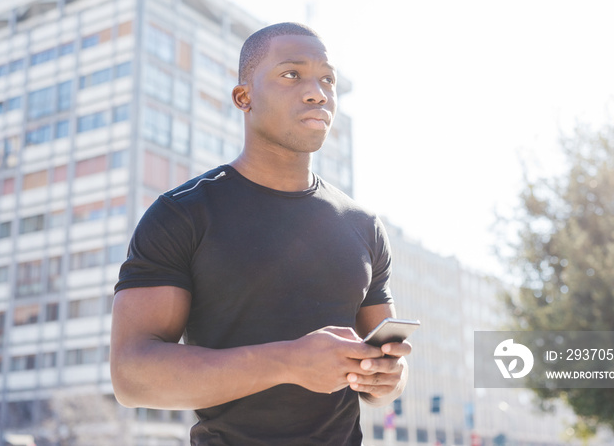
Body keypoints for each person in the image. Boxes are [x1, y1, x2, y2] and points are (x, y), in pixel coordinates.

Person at [110, 22, 411, 445]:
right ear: (243, 97)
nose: (317, 92)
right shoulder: (182, 214)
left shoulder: (363, 225)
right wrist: (287, 362)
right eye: (292, 74)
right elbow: (131, 378)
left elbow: (388, 375)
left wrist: (387, 380)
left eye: (327, 79)